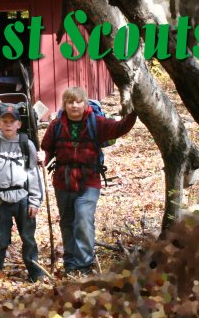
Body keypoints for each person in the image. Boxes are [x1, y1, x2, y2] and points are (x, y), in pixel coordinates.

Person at [41, 86, 137, 276]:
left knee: (83, 219)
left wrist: (133, 111)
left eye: (78, 101)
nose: (74, 105)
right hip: (63, 180)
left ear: (85, 103)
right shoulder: (56, 125)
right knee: (67, 222)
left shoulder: (96, 122)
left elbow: (120, 128)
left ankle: (84, 264)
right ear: (65, 104)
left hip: (89, 181)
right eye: (70, 102)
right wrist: (40, 160)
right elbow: (46, 147)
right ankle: (70, 263)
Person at [0, 106, 45, 282]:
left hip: (24, 198)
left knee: (28, 238)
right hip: (0, 200)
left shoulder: (26, 144)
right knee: (0, 239)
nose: (8, 125)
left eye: (12, 121)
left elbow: (33, 174)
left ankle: (35, 271)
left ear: (19, 124)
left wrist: (35, 201)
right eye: (4, 121)